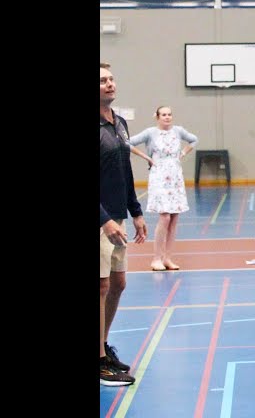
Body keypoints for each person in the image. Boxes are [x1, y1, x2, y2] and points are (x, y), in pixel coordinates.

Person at [100, 62, 148, 387]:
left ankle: (102, 346)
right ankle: (100, 363)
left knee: (117, 284)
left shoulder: (120, 124)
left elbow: (126, 171)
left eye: (111, 78)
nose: (109, 84)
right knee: (100, 287)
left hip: (117, 217)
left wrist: (136, 211)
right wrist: (104, 220)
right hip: (101, 221)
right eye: (102, 81)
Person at [128, 105, 198, 271]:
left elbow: (194, 139)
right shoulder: (150, 133)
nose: (167, 117)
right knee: (165, 216)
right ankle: (156, 258)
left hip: (175, 176)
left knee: (174, 218)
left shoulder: (178, 131)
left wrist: (182, 153)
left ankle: (167, 258)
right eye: (163, 115)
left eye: (169, 114)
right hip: (159, 175)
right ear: (157, 117)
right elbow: (127, 143)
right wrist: (147, 157)